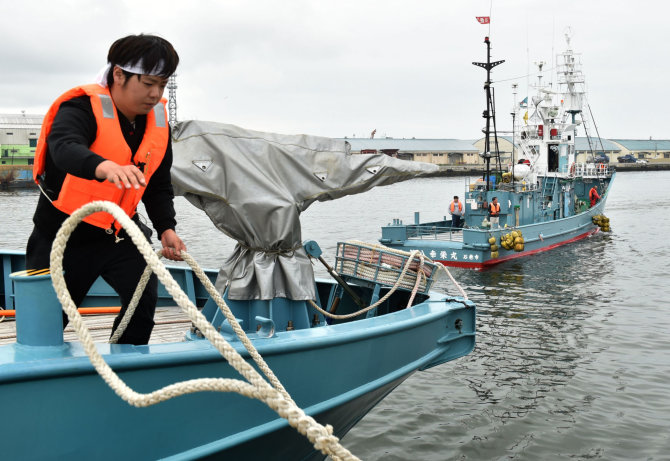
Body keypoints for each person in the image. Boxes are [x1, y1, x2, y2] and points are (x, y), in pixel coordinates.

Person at [27, 34, 186, 345]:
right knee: (45, 324)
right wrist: (104, 166)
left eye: (163, 85)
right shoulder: (80, 107)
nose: (156, 94)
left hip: (118, 233)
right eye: (149, 83)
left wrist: (166, 227)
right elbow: (64, 147)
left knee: (142, 303)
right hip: (62, 236)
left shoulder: (157, 121)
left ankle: (125, 372)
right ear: (118, 75)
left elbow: (157, 182)